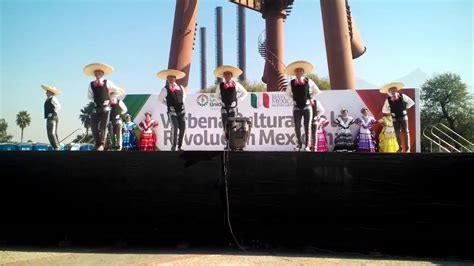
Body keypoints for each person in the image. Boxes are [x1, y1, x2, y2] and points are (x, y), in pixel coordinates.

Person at [84, 62, 122, 151]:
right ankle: (97, 143)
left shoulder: (107, 82)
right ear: (94, 74)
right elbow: (89, 96)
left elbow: (117, 91)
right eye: (96, 72)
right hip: (96, 107)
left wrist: (109, 99)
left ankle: (101, 144)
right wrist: (96, 100)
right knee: (93, 125)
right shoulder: (91, 84)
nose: (97, 74)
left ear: (102, 73)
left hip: (106, 107)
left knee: (103, 127)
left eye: (99, 72)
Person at [285, 60, 321, 151]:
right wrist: (292, 100)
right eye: (296, 71)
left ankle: (307, 146)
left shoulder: (309, 81)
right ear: (295, 73)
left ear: (303, 72)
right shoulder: (291, 83)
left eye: (300, 71)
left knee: (307, 126)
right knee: (296, 126)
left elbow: (317, 91)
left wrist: (310, 97)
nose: (298, 72)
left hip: (307, 107)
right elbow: (287, 95)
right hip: (296, 107)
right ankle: (298, 145)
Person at [213, 65, 248, 147]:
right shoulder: (220, 85)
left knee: (233, 126)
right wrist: (221, 101)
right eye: (225, 74)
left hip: (233, 108)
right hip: (224, 108)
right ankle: (227, 144)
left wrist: (237, 100)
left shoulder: (236, 84)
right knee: (225, 126)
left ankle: (234, 144)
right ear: (223, 76)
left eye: (228, 74)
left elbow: (245, 92)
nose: (227, 76)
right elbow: (216, 96)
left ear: (231, 76)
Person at [380, 82, 415, 153]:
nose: (392, 92)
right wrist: (391, 111)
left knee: (405, 132)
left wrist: (405, 108)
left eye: (393, 90)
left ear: (396, 90)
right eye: (391, 91)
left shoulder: (402, 96)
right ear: (389, 92)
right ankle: (400, 148)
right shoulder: (388, 100)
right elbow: (384, 110)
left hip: (403, 116)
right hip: (395, 118)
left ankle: (407, 149)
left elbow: (411, 102)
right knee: (397, 133)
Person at [157, 69, 187, 151]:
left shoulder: (181, 87)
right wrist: (168, 104)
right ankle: (173, 146)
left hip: (182, 111)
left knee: (183, 128)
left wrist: (182, 103)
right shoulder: (165, 89)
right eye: (169, 78)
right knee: (175, 127)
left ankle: (180, 146)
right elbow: (160, 99)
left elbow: (184, 96)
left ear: (175, 78)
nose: (171, 79)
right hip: (172, 112)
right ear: (167, 79)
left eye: (172, 77)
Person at [42, 85, 61, 150]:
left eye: (47, 91)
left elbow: (58, 106)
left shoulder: (53, 98)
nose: (46, 93)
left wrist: (52, 112)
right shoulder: (49, 98)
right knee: (51, 133)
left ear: (51, 92)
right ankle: (55, 146)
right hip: (50, 117)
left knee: (51, 133)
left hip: (52, 117)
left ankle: (57, 147)